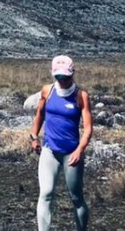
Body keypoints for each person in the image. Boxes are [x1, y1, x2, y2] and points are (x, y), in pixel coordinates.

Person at [30, 55, 92, 231]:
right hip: (49, 151)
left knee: (76, 198)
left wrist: (80, 150)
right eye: (58, 77)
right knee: (46, 194)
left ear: (72, 74)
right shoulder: (47, 91)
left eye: (65, 77)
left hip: (71, 153)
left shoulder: (81, 96)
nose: (62, 81)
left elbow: (88, 128)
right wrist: (34, 136)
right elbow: (40, 114)